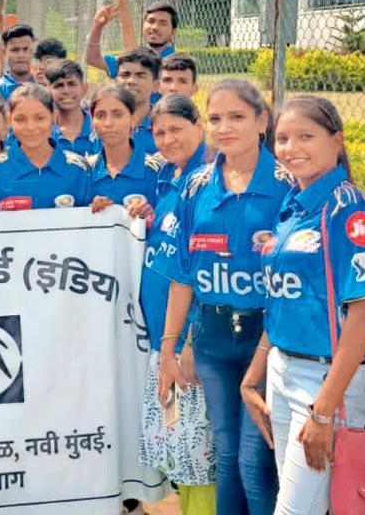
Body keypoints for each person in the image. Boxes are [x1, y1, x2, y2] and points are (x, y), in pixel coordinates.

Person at [241, 96, 365, 515]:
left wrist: (323, 413)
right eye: (283, 138)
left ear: (336, 140)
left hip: (327, 381)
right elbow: (285, 297)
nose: (291, 148)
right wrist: (255, 374)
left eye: (306, 136)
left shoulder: (348, 209)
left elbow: (363, 316)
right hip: (284, 370)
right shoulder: (293, 205)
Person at [154, 79, 291, 515]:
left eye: (237, 117)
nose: (225, 128)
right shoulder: (196, 186)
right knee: (228, 457)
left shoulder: (287, 185)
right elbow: (182, 277)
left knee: (255, 460)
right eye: (215, 119)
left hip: (265, 341)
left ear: (262, 121)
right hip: (212, 339)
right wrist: (172, 348)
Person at [139, 94, 216, 515]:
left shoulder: (206, 184)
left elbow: (201, 277)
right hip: (164, 341)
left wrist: (186, 345)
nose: (168, 139)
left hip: (190, 345)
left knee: (197, 455)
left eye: (176, 129)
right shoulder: (171, 180)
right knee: (181, 456)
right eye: (160, 131)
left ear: (198, 126)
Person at [0, 83, 91, 211]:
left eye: (39, 118)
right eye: (20, 119)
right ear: (10, 120)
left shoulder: (79, 169)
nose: (30, 127)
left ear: (54, 117)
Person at [85, 85, 159, 218]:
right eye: (100, 115)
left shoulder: (156, 170)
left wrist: (149, 214)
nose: (108, 123)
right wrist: (88, 211)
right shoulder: (84, 171)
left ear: (133, 119)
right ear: (92, 121)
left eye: (117, 114)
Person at [46, 60, 96, 156]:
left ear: (84, 88)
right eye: (59, 85)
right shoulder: (44, 131)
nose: (66, 91)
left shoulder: (98, 128)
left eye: (72, 84)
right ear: (49, 91)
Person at [0, 24, 37, 100]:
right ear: (4, 53)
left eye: (26, 49)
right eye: (15, 50)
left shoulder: (46, 92)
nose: (21, 55)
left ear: (32, 51)